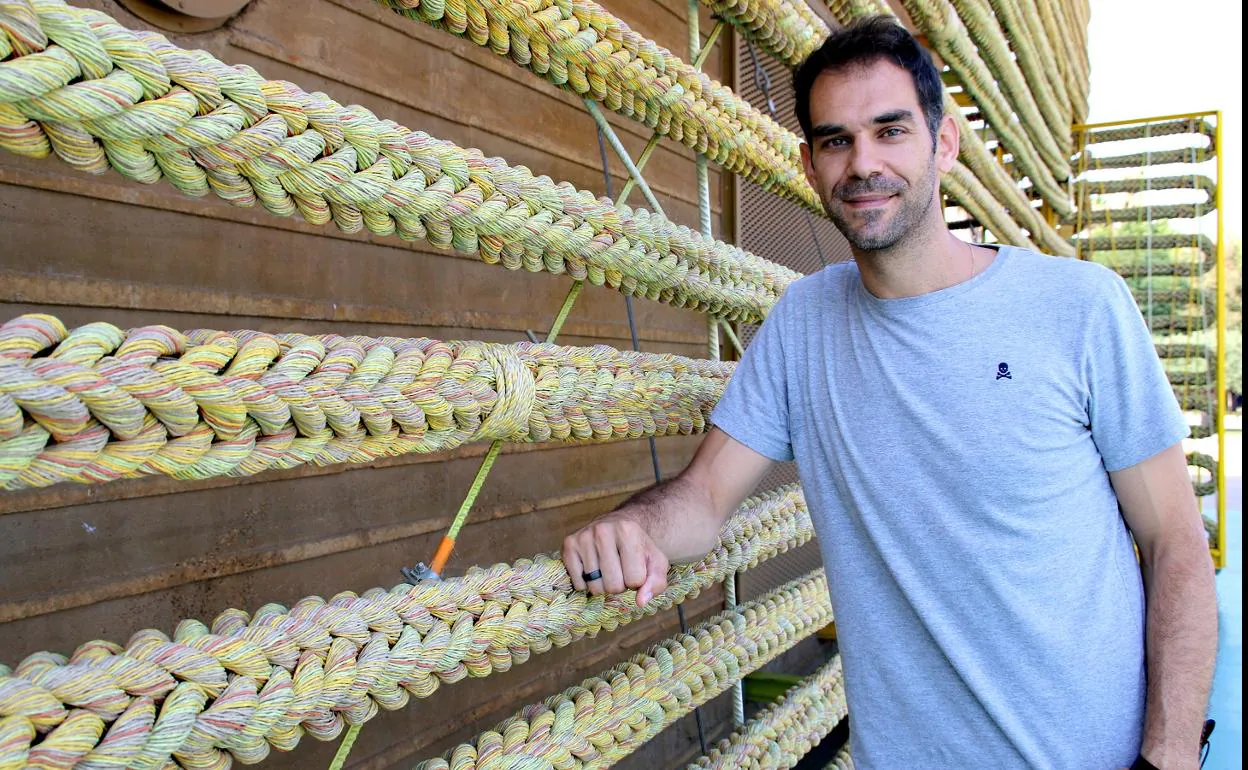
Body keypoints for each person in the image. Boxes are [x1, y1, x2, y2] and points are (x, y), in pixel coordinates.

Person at [559, 15, 1218, 770]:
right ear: (810, 164)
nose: (863, 163)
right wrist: (632, 530)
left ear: (943, 143)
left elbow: (1174, 542)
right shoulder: (804, 325)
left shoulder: (1079, 307)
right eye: (837, 140)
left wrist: (1168, 760)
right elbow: (703, 499)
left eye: (890, 130)